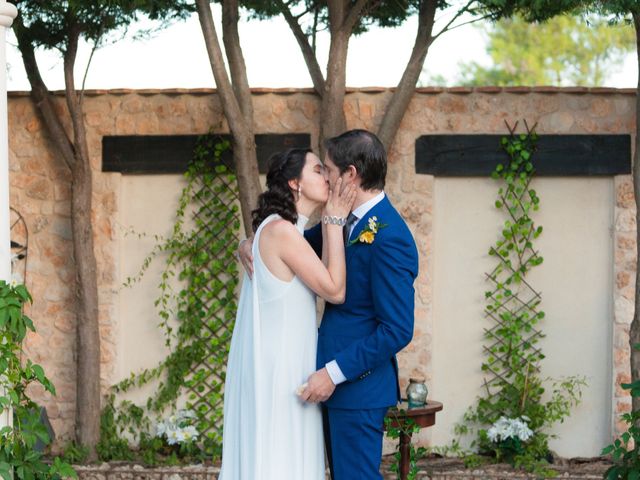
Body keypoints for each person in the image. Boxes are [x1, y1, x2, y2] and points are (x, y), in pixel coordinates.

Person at [240, 129, 419, 480]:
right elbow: (289, 243)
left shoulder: (390, 236)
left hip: (355, 387)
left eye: (329, 170)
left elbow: (397, 329)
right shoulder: (340, 222)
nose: (325, 176)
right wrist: (250, 240)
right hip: (325, 386)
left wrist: (333, 373)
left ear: (350, 175)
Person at [219, 147, 356, 480]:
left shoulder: (281, 230)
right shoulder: (280, 231)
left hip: (285, 368)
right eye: (318, 170)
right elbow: (335, 291)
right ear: (295, 182)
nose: (327, 177)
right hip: (280, 375)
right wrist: (335, 222)